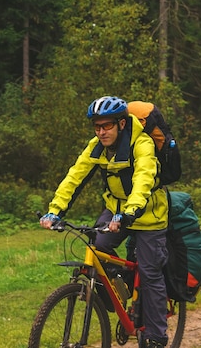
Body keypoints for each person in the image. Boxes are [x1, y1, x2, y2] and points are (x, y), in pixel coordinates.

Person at [40, 95, 170, 348]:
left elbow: (144, 178)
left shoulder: (142, 143)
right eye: (97, 127)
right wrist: (55, 211)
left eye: (107, 126)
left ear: (122, 124)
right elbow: (74, 177)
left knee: (150, 271)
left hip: (148, 214)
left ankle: (156, 336)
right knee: (97, 247)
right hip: (115, 209)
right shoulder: (96, 146)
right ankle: (121, 291)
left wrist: (130, 212)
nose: (101, 132)